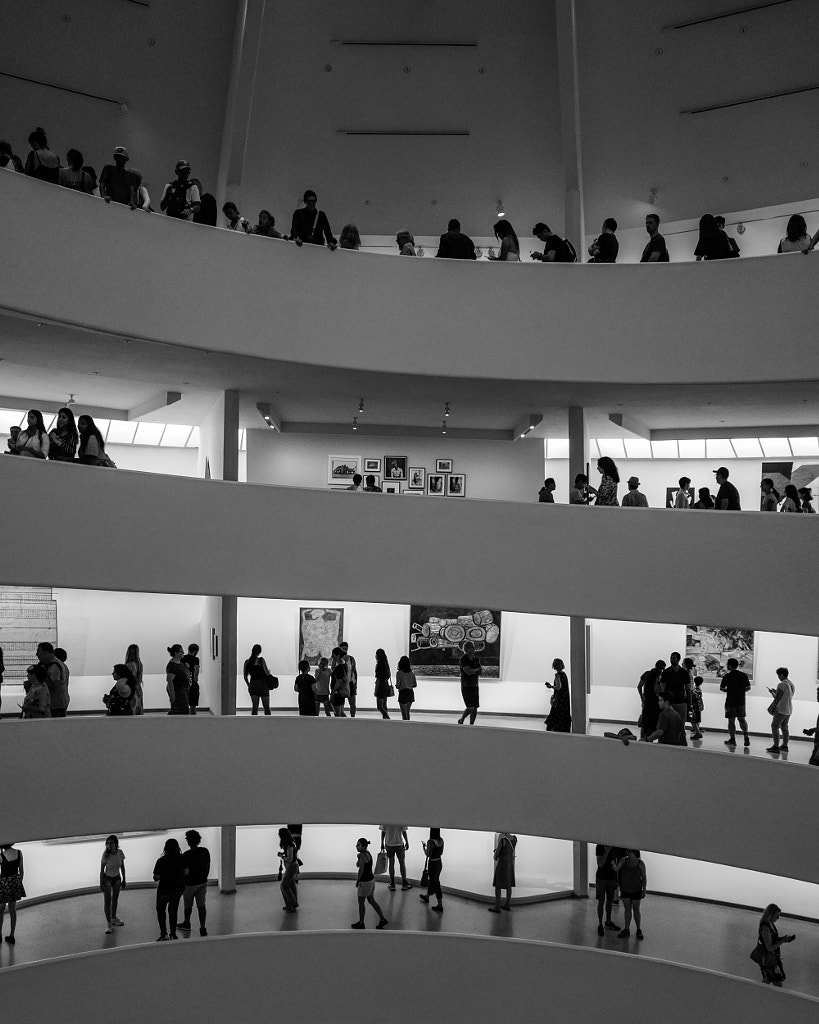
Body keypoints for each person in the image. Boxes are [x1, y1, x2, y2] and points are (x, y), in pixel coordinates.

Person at [753, 904, 795, 986]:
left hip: (770, 959)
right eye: (777, 916)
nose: (778, 918)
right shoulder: (765, 927)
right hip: (769, 960)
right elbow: (769, 947)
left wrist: (782, 939)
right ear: (771, 915)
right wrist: (782, 941)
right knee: (777, 983)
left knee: (766, 982)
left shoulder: (771, 924)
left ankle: (760, 997)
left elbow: (772, 940)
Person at [178, 830, 210, 936]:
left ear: (188, 841)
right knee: (201, 906)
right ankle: (203, 928)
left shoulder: (186, 855)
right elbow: (207, 868)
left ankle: (187, 923)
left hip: (189, 884)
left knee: (188, 905)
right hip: (202, 882)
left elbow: (184, 872)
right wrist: (204, 877)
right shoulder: (205, 851)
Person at [351, 838, 388, 929]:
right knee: (371, 900)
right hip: (371, 880)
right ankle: (382, 919)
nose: (356, 846)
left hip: (364, 882)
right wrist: (358, 857)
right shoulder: (367, 853)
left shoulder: (363, 855)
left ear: (363, 846)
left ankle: (361, 923)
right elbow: (358, 864)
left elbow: (361, 869)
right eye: (357, 844)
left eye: (358, 845)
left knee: (361, 902)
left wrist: (358, 880)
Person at [153, 837, 185, 940]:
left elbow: (156, 878)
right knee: (173, 911)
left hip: (164, 889)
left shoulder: (161, 861)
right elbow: (187, 872)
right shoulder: (181, 859)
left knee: (161, 911)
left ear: (165, 848)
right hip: (178, 889)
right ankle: (173, 933)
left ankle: (164, 934)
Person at [719, 657, 751, 747]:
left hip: (730, 701)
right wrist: (740, 691)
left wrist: (729, 691)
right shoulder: (743, 675)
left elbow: (722, 688)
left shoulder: (727, 676)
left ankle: (732, 739)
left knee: (731, 720)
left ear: (730, 665)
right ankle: (746, 735)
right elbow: (748, 687)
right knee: (742, 719)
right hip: (741, 701)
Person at [615, 850, 646, 938]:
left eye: (630, 851)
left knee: (636, 909)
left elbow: (644, 877)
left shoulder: (640, 863)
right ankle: (626, 929)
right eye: (627, 851)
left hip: (636, 890)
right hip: (625, 889)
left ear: (635, 852)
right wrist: (614, 866)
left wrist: (644, 890)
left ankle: (638, 929)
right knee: (627, 909)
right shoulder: (623, 860)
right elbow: (616, 868)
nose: (628, 853)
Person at [594, 843, 624, 934]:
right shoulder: (599, 846)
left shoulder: (616, 846)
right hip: (601, 878)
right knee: (601, 901)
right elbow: (600, 864)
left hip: (611, 878)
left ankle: (608, 921)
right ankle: (600, 924)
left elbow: (622, 859)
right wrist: (607, 850)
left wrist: (617, 868)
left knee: (610, 901)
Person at [100, 835, 126, 934]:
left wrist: (124, 879)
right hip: (107, 879)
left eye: (111, 843)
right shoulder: (105, 854)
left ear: (116, 844)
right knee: (107, 901)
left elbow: (122, 866)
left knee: (115, 899)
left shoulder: (120, 853)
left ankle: (114, 917)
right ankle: (109, 923)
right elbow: (102, 870)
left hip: (117, 878)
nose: (109, 845)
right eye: (107, 843)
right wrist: (101, 883)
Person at [0, 843, 25, 944]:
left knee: (1, 910)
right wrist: (18, 884)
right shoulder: (19, 853)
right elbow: (22, 872)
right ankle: (12, 935)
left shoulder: (1, 856)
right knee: (12, 910)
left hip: (4, 884)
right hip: (15, 883)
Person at [660, 652, 690, 734]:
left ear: (678, 659)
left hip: (681, 702)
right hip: (670, 703)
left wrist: (689, 702)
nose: (671, 660)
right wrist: (663, 701)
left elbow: (688, 688)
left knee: (681, 724)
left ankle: (681, 741)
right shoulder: (666, 672)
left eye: (673, 658)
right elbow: (663, 688)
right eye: (671, 658)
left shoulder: (684, 673)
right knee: (669, 724)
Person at [36, 642, 68, 716]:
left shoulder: (55, 667)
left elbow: (54, 688)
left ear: (46, 653)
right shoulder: (43, 663)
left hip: (56, 705)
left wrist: (43, 676)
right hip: (49, 703)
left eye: (38, 651)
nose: (36, 654)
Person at [768, 667, 795, 753]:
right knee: (784, 727)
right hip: (789, 708)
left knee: (774, 726)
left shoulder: (782, 684)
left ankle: (775, 746)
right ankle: (784, 746)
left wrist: (772, 693)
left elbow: (777, 698)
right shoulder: (791, 684)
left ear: (781, 675)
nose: (778, 677)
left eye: (778, 675)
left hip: (781, 709)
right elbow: (786, 696)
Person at [488, 832, 517, 912]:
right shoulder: (514, 838)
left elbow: (495, 856)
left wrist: (495, 851)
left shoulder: (503, 840)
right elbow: (510, 850)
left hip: (502, 865)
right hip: (510, 864)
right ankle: (507, 904)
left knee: (498, 886)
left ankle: (497, 907)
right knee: (509, 884)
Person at [637, 661, 665, 739]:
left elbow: (639, 686)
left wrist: (642, 698)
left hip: (646, 703)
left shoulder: (647, 676)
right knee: (653, 726)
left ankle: (643, 740)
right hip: (654, 706)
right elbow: (660, 694)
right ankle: (649, 741)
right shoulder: (657, 682)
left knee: (645, 724)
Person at [379, 824, 411, 891]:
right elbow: (404, 831)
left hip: (389, 845)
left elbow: (383, 832)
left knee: (391, 864)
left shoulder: (385, 818)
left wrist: (382, 843)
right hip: (399, 844)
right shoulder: (400, 818)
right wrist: (407, 842)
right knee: (402, 864)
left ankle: (392, 884)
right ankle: (404, 883)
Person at [243, 644, 272, 715]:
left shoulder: (247, 662)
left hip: (253, 685)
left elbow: (245, 676)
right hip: (263, 685)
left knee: (254, 708)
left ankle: (253, 725)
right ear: (259, 652)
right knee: (266, 708)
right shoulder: (261, 660)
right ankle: (269, 724)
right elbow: (267, 673)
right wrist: (269, 671)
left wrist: (249, 685)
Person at [419, 828, 444, 912]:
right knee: (433, 881)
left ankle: (440, 905)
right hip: (439, 863)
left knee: (435, 883)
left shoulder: (430, 841)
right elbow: (441, 853)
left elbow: (428, 854)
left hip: (432, 864)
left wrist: (424, 847)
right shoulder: (441, 840)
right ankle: (427, 897)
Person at [457, 641, 481, 725]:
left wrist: (474, 671)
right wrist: (475, 671)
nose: (473, 649)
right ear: (466, 649)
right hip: (466, 685)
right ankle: (462, 719)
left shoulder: (476, 659)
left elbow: (479, 671)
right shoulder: (463, 659)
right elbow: (467, 671)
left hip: (474, 685)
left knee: (475, 708)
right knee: (470, 706)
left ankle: (471, 724)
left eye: (473, 647)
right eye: (471, 647)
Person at [545, 658, 571, 731]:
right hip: (564, 698)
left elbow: (558, 687)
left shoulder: (557, 675)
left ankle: (554, 727)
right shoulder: (564, 674)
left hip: (559, 698)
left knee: (555, 712)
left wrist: (551, 686)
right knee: (563, 712)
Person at [166, 644, 191, 715]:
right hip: (178, 691)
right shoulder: (172, 666)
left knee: (184, 710)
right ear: (176, 653)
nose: (183, 653)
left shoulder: (180, 663)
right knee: (180, 711)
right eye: (181, 651)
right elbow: (169, 680)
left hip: (183, 690)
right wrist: (172, 695)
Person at [278, 828, 300, 912]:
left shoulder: (289, 845)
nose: (279, 836)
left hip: (291, 866)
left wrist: (281, 856)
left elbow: (290, 859)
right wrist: (283, 854)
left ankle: (292, 904)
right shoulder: (292, 843)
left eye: (280, 834)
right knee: (291, 885)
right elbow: (292, 855)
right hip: (293, 866)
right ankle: (291, 905)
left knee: (284, 886)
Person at [395, 655, 417, 720]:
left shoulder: (399, 673)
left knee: (404, 715)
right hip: (410, 693)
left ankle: (404, 728)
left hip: (403, 693)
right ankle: (409, 728)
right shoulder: (411, 673)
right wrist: (409, 685)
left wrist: (398, 686)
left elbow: (398, 685)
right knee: (408, 713)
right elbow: (415, 685)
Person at [330, 647, 350, 716]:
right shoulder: (343, 664)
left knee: (337, 713)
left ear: (338, 655)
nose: (332, 656)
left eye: (333, 655)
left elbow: (339, 681)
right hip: (341, 691)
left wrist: (333, 692)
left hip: (338, 692)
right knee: (341, 712)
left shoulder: (339, 667)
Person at [125, 644, 144, 715]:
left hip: (131, 690)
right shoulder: (139, 664)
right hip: (139, 689)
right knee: (138, 711)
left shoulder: (129, 665)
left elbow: (130, 679)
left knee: (132, 712)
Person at [340, 641, 358, 717]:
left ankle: (353, 718)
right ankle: (343, 718)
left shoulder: (351, 659)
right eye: (343, 649)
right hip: (341, 683)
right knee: (341, 704)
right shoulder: (337, 659)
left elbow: (354, 671)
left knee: (352, 703)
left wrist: (356, 683)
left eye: (346, 649)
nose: (344, 650)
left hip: (350, 683)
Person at [182, 644, 200, 715]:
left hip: (183, 683)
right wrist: (195, 680)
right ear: (195, 651)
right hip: (192, 683)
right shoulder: (196, 659)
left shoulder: (182, 658)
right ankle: (193, 722)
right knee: (193, 706)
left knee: (184, 704)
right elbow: (196, 670)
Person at [374, 648, 392, 719]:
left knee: (379, 706)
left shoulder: (379, 665)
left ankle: (387, 718)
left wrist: (376, 688)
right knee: (384, 705)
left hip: (381, 685)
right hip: (386, 685)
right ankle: (385, 719)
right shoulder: (386, 664)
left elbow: (378, 677)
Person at [690, 676, 704, 741]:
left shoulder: (694, 690)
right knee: (697, 720)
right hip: (698, 706)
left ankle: (698, 733)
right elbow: (700, 699)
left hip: (695, 707)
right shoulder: (699, 689)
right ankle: (697, 731)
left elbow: (693, 698)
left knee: (693, 721)